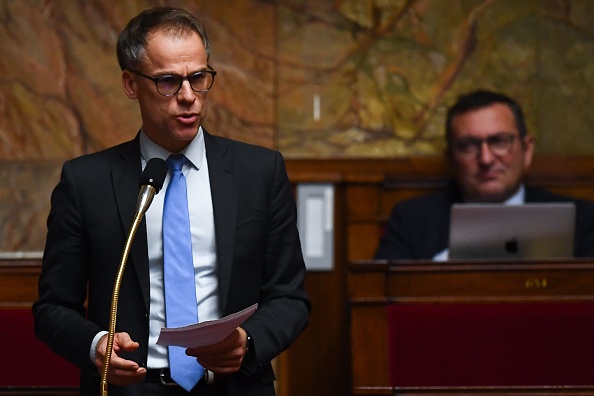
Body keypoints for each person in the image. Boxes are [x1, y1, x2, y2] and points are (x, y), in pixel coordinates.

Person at [32, 7, 311, 396]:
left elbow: (290, 297)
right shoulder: (86, 182)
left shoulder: (259, 172)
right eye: (168, 82)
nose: (188, 97)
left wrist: (247, 341)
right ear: (131, 84)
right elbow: (52, 309)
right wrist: (96, 346)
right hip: (135, 387)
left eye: (198, 78)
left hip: (234, 386)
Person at [374, 89, 594, 260]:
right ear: (451, 158)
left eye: (499, 142)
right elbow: (382, 301)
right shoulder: (412, 221)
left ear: (527, 151)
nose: (486, 159)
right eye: (468, 145)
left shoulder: (582, 220)